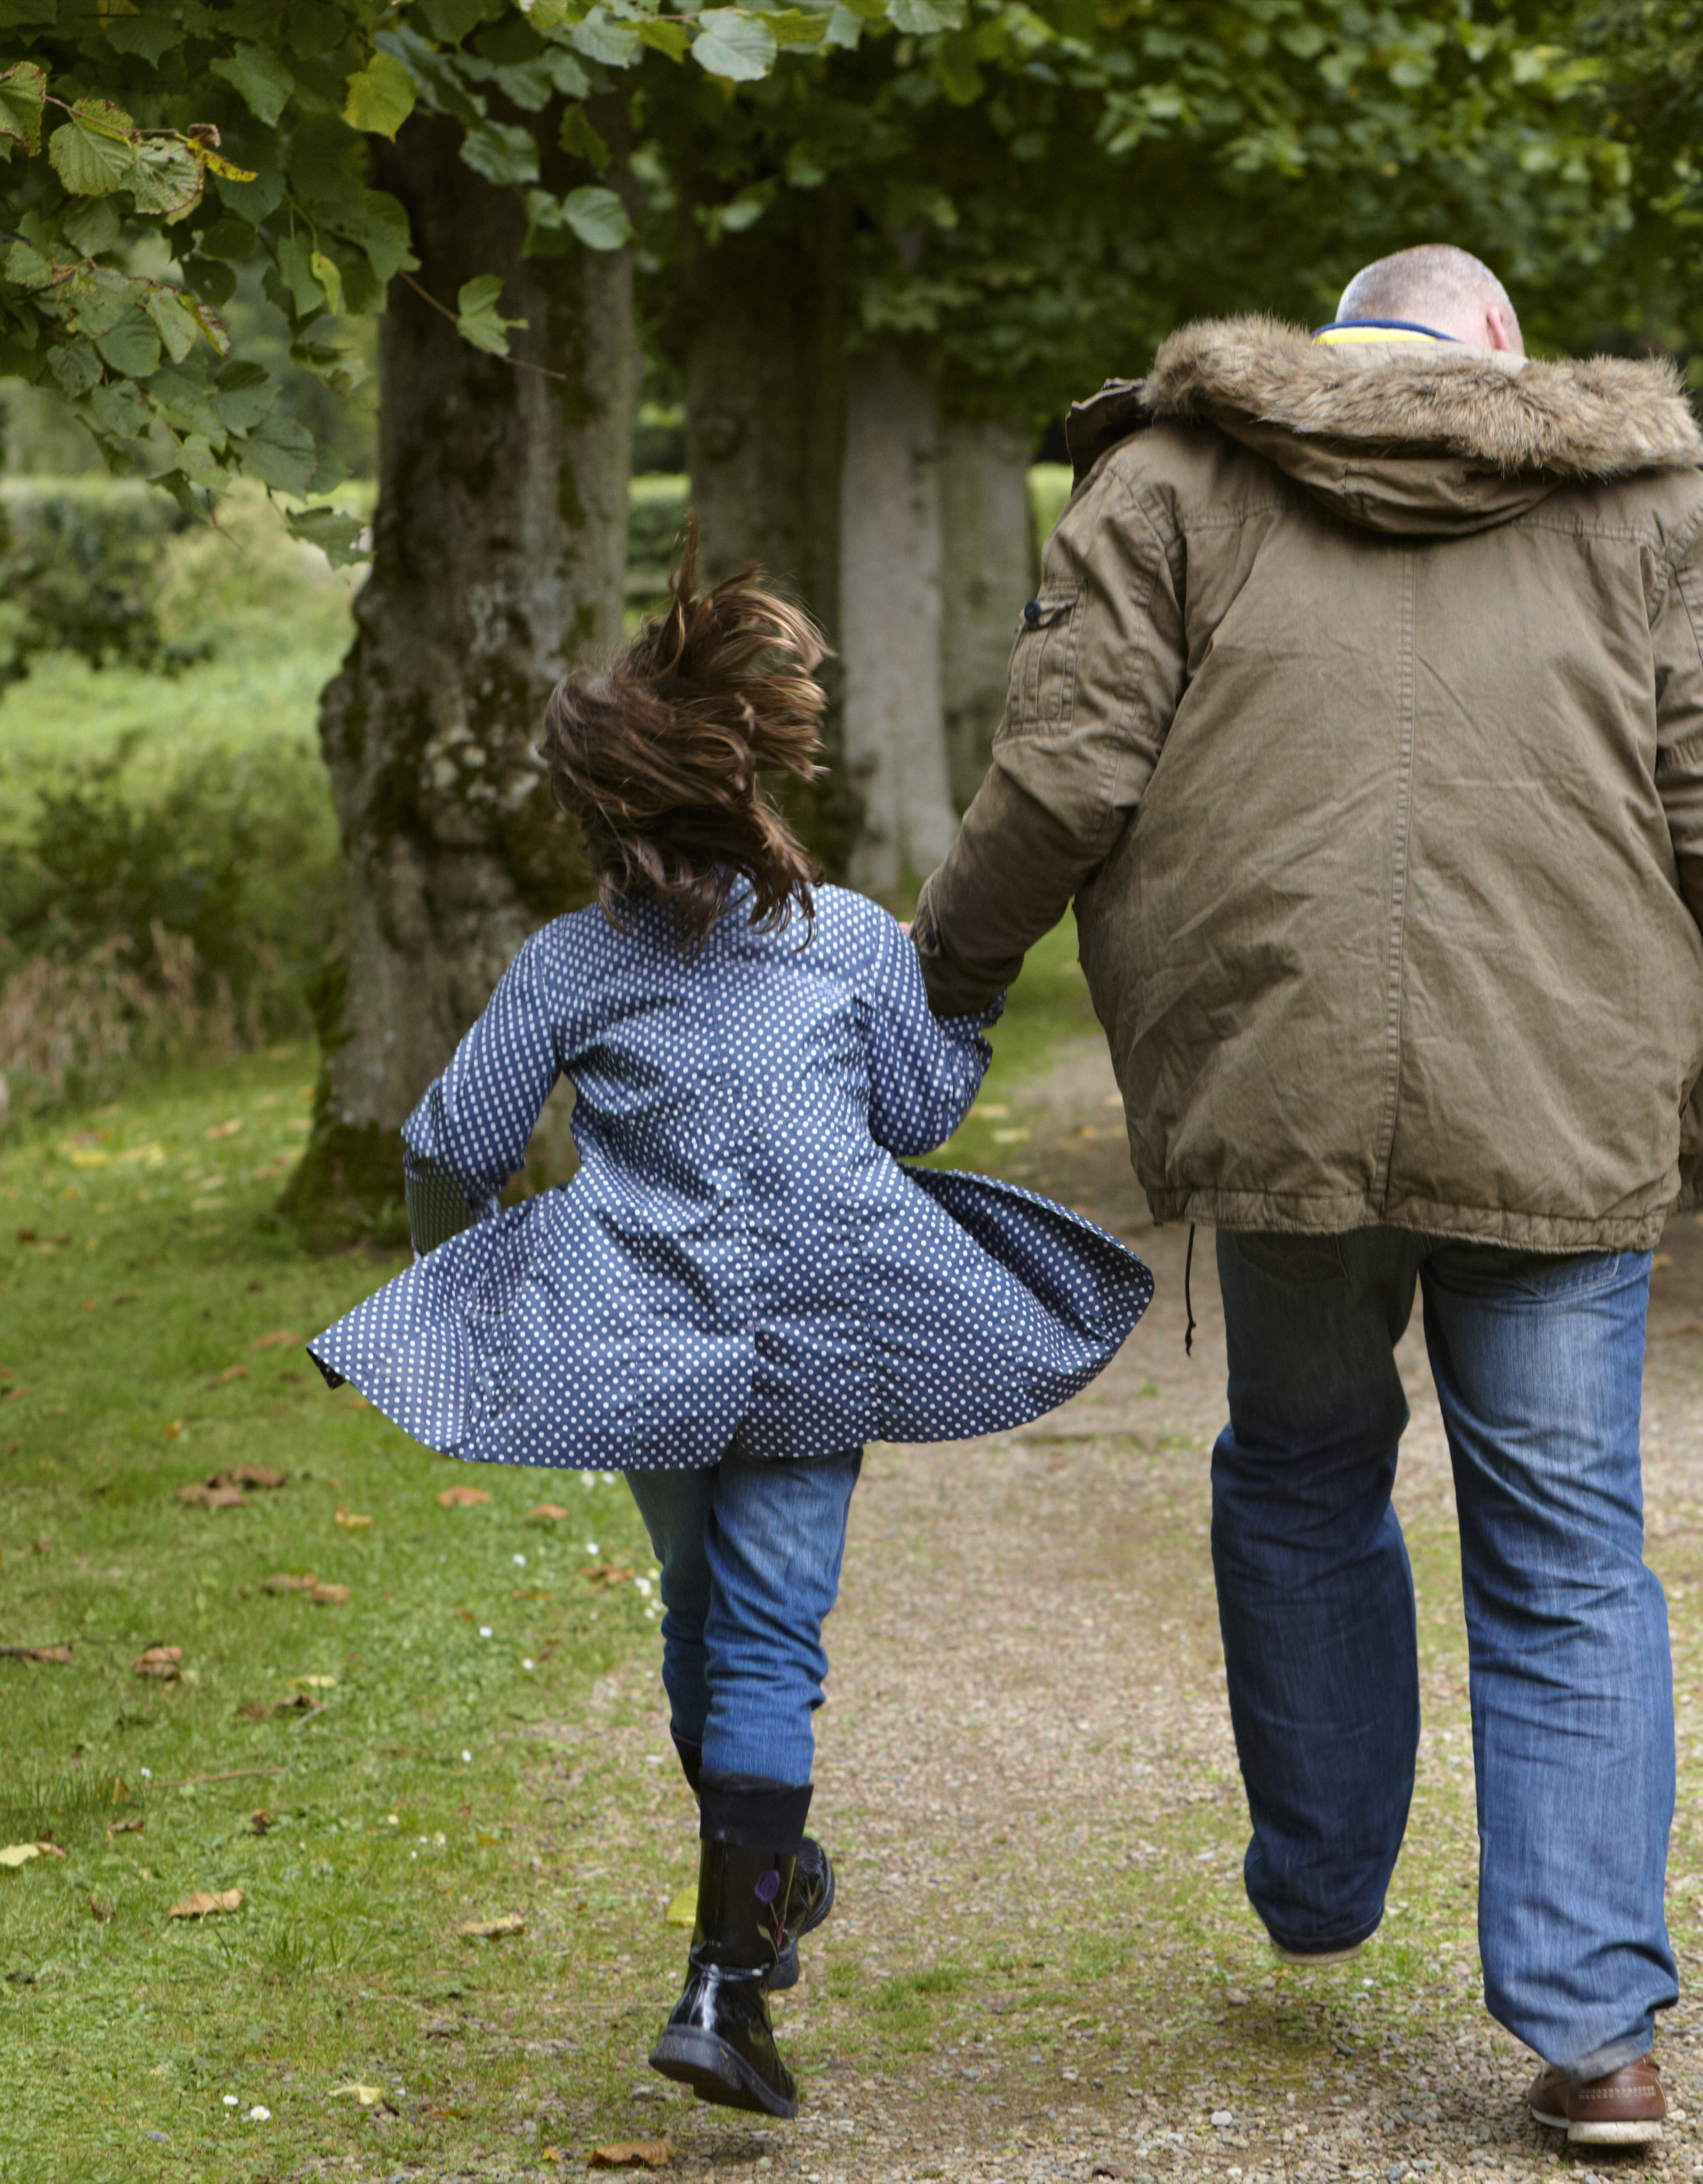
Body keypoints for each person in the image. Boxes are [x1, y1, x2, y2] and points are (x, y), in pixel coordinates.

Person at [912, 244, 1703, 2147]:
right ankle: (1596, 2031)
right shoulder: (1653, 504)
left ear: (1342, 340)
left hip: (1281, 1086)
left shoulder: (1167, 481)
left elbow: (1062, 771)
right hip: (1565, 1101)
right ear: (1498, 348)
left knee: (1299, 1464)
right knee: (1565, 1553)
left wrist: (937, 977)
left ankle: (1325, 1874)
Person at [310, 544, 1152, 2120]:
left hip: (640, 1328)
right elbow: (908, 1112)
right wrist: (952, 1003)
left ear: (601, 816)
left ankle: (743, 1920)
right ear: (747, 779)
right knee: (762, 1634)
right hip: (833, 1318)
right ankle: (730, 1974)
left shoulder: (571, 964)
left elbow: (448, 1143)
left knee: (702, 1608)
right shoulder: (841, 936)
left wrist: (464, 1281)